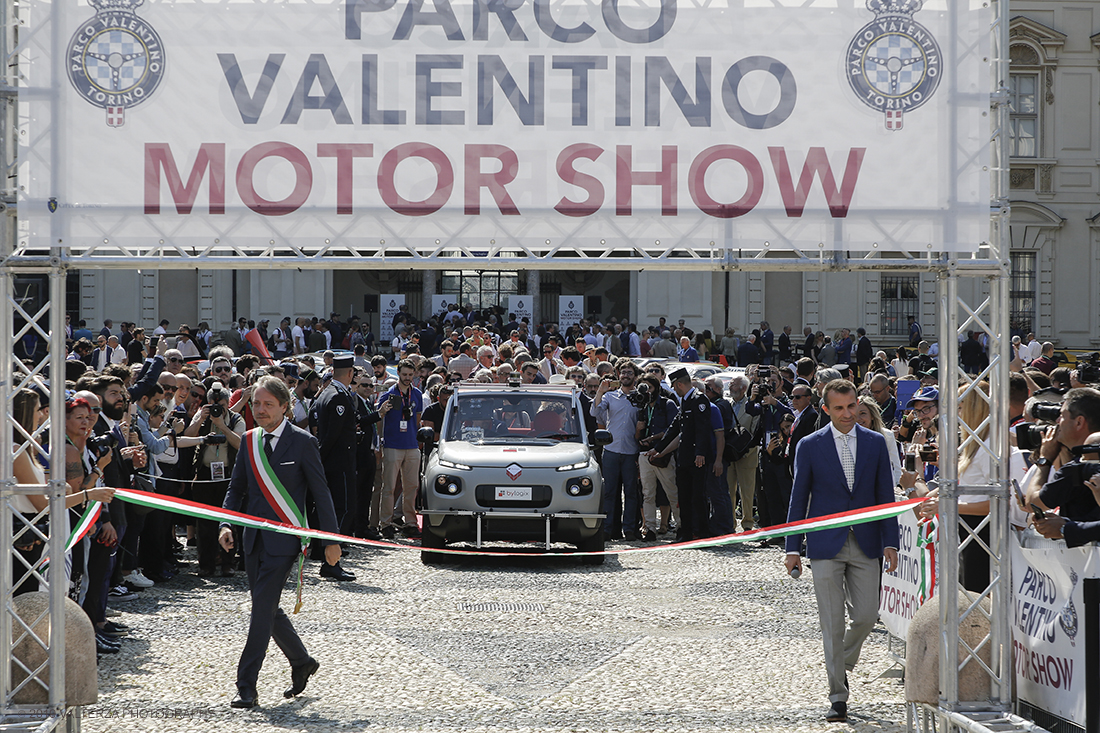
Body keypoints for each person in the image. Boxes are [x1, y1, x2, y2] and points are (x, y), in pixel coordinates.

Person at [219, 376, 341, 709]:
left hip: (285, 541)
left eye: (267, 404)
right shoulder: (248, 441)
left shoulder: (302, 442)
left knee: (260, 610)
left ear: (285, 407)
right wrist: (226, 523)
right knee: (268, 608)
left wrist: (330, 540)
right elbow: (236, 489)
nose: (259, 410)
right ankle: (301, 661)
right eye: (255, 403)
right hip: (252, 540)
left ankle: (246, 685)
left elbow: (320, 492)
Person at [784, 379, 899, 724]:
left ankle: (841, 661)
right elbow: (798, 497)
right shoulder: (809, 445)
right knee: (831, 623)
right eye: (839, 408)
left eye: (852, 406)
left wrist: (890, 541)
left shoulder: (876, 443)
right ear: (826, 410)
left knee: (866, 615)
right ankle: (838, 695)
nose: (848, 414)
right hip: (824, 545)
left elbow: (885, 496)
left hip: (866, 542)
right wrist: (792, 547)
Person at [649, 368, 713, 542]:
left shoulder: (699, 400)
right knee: (683, 497)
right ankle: (686, 532)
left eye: (674, 386)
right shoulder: (685, 401)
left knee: (697, 497)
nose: (674, 390)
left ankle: (702, 532)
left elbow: (703, 429)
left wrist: (700, 452)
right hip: (684, 457)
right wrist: (658, 449)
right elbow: (674, 428)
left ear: (679, 384)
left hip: (696, 457)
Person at [592, 359, 641, 540]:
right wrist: (600, 391)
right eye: (623, 372)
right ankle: (607, 529)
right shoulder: (609, 397)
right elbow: (595, 412)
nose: (626, 375)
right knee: (610, 492)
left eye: (629, 373)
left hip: (631, 451)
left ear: (635, 376)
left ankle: (629, 529)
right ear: (618, 375)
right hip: (611, 450)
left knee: (631, 492)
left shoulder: (639, 398)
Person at [377, 358, 424, 538]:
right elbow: (380, 417)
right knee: (389, 486)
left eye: (410, 375)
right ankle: (386, 523)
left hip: (411, 445)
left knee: (412, 486)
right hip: (393, 445)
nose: (407, 378)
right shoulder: (389, 393)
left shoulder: (417, 394)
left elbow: (417, 418)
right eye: (404, 374)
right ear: (398, 374)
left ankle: (410, 522)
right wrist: (381, 441)